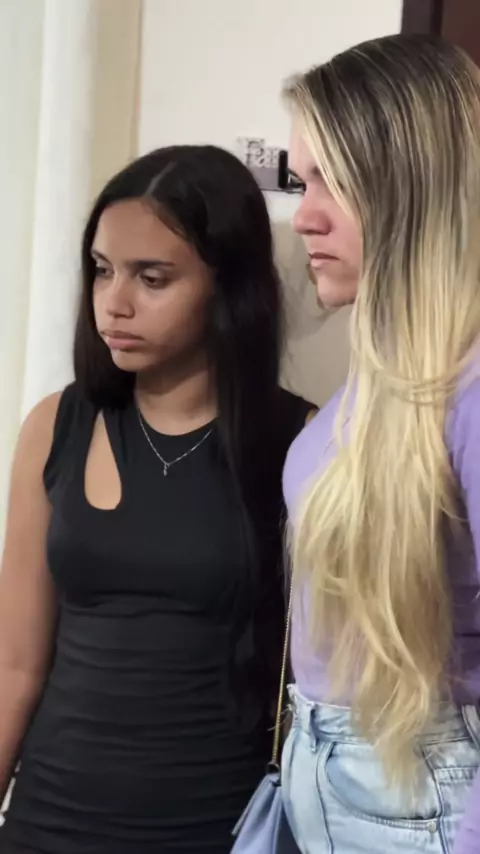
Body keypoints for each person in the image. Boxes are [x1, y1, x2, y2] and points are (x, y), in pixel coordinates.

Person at [0, 144, 315, 854]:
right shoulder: (56, 425)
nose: (114, 303)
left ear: (227, 286)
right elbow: (13, 666)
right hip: (47, 821)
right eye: (102, 270)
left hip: (216, 826)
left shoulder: (303, 443)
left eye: (152, 278)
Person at [281, 34, 480, 854]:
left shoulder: (469, 390)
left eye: (335, 179)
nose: (304, 215)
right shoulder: (374, 387)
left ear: (413, 186)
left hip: (422, 795)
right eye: (302, 180)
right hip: (334, 780)